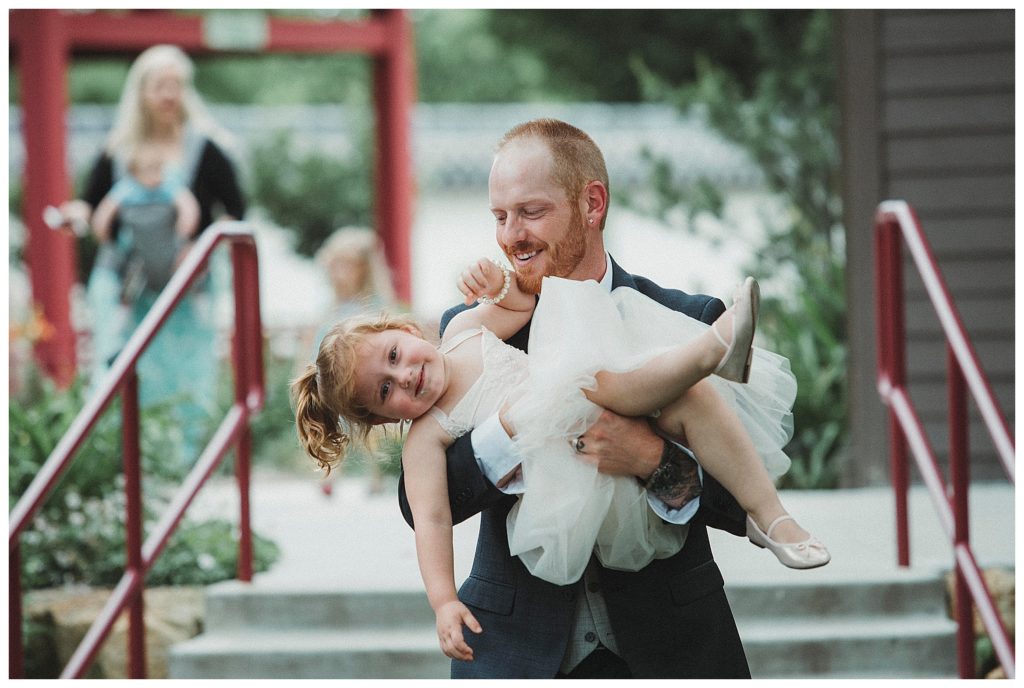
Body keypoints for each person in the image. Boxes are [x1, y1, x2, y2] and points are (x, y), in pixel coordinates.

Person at [291, 255, 828, 662]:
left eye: (394, 357)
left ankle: (771, 513)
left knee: (686, 395)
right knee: (615, 382)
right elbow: (427, 516)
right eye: (386, 392)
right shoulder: (426, 437)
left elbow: (518, 306)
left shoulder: (462, 332)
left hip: (668, 627)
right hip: (553, 514)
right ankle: (709, 353)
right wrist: (443, 601)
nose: (404, 376)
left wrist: (653, 459)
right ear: (387, 419)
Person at [400, 118, 782, 679]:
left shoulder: (692, 323)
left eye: (530, 213)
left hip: (673, 645)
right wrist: (509, 433)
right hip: (515, 648)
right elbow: (421, 504)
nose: (511, 237)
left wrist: (654, 461)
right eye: (499, 217)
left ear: (592, 204)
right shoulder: (476, 328)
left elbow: (745, 498)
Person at [57, 44, 245, 460]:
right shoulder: (119, 149)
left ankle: (181, 464)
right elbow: (92, 202)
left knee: (185, 375)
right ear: (141, 91)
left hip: (184, 286)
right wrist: (76, 215)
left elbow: (236, 211)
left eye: (176, 85)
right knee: (119, 365)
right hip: (128, 282)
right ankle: (122, 461)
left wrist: (201, 242)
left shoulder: (207, 149)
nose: (168, 94)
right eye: (160, 85)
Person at [306, 227, 398, 495]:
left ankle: (376, 472)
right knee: (329, 420)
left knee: (370, 423)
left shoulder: (373, 305)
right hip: (331, 372)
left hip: (362, 374)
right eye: (335, 267)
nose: (339, 274)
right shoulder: (331, 305)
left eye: (347, 266)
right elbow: (315, 338)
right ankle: (330, 471)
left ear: (364, 269)